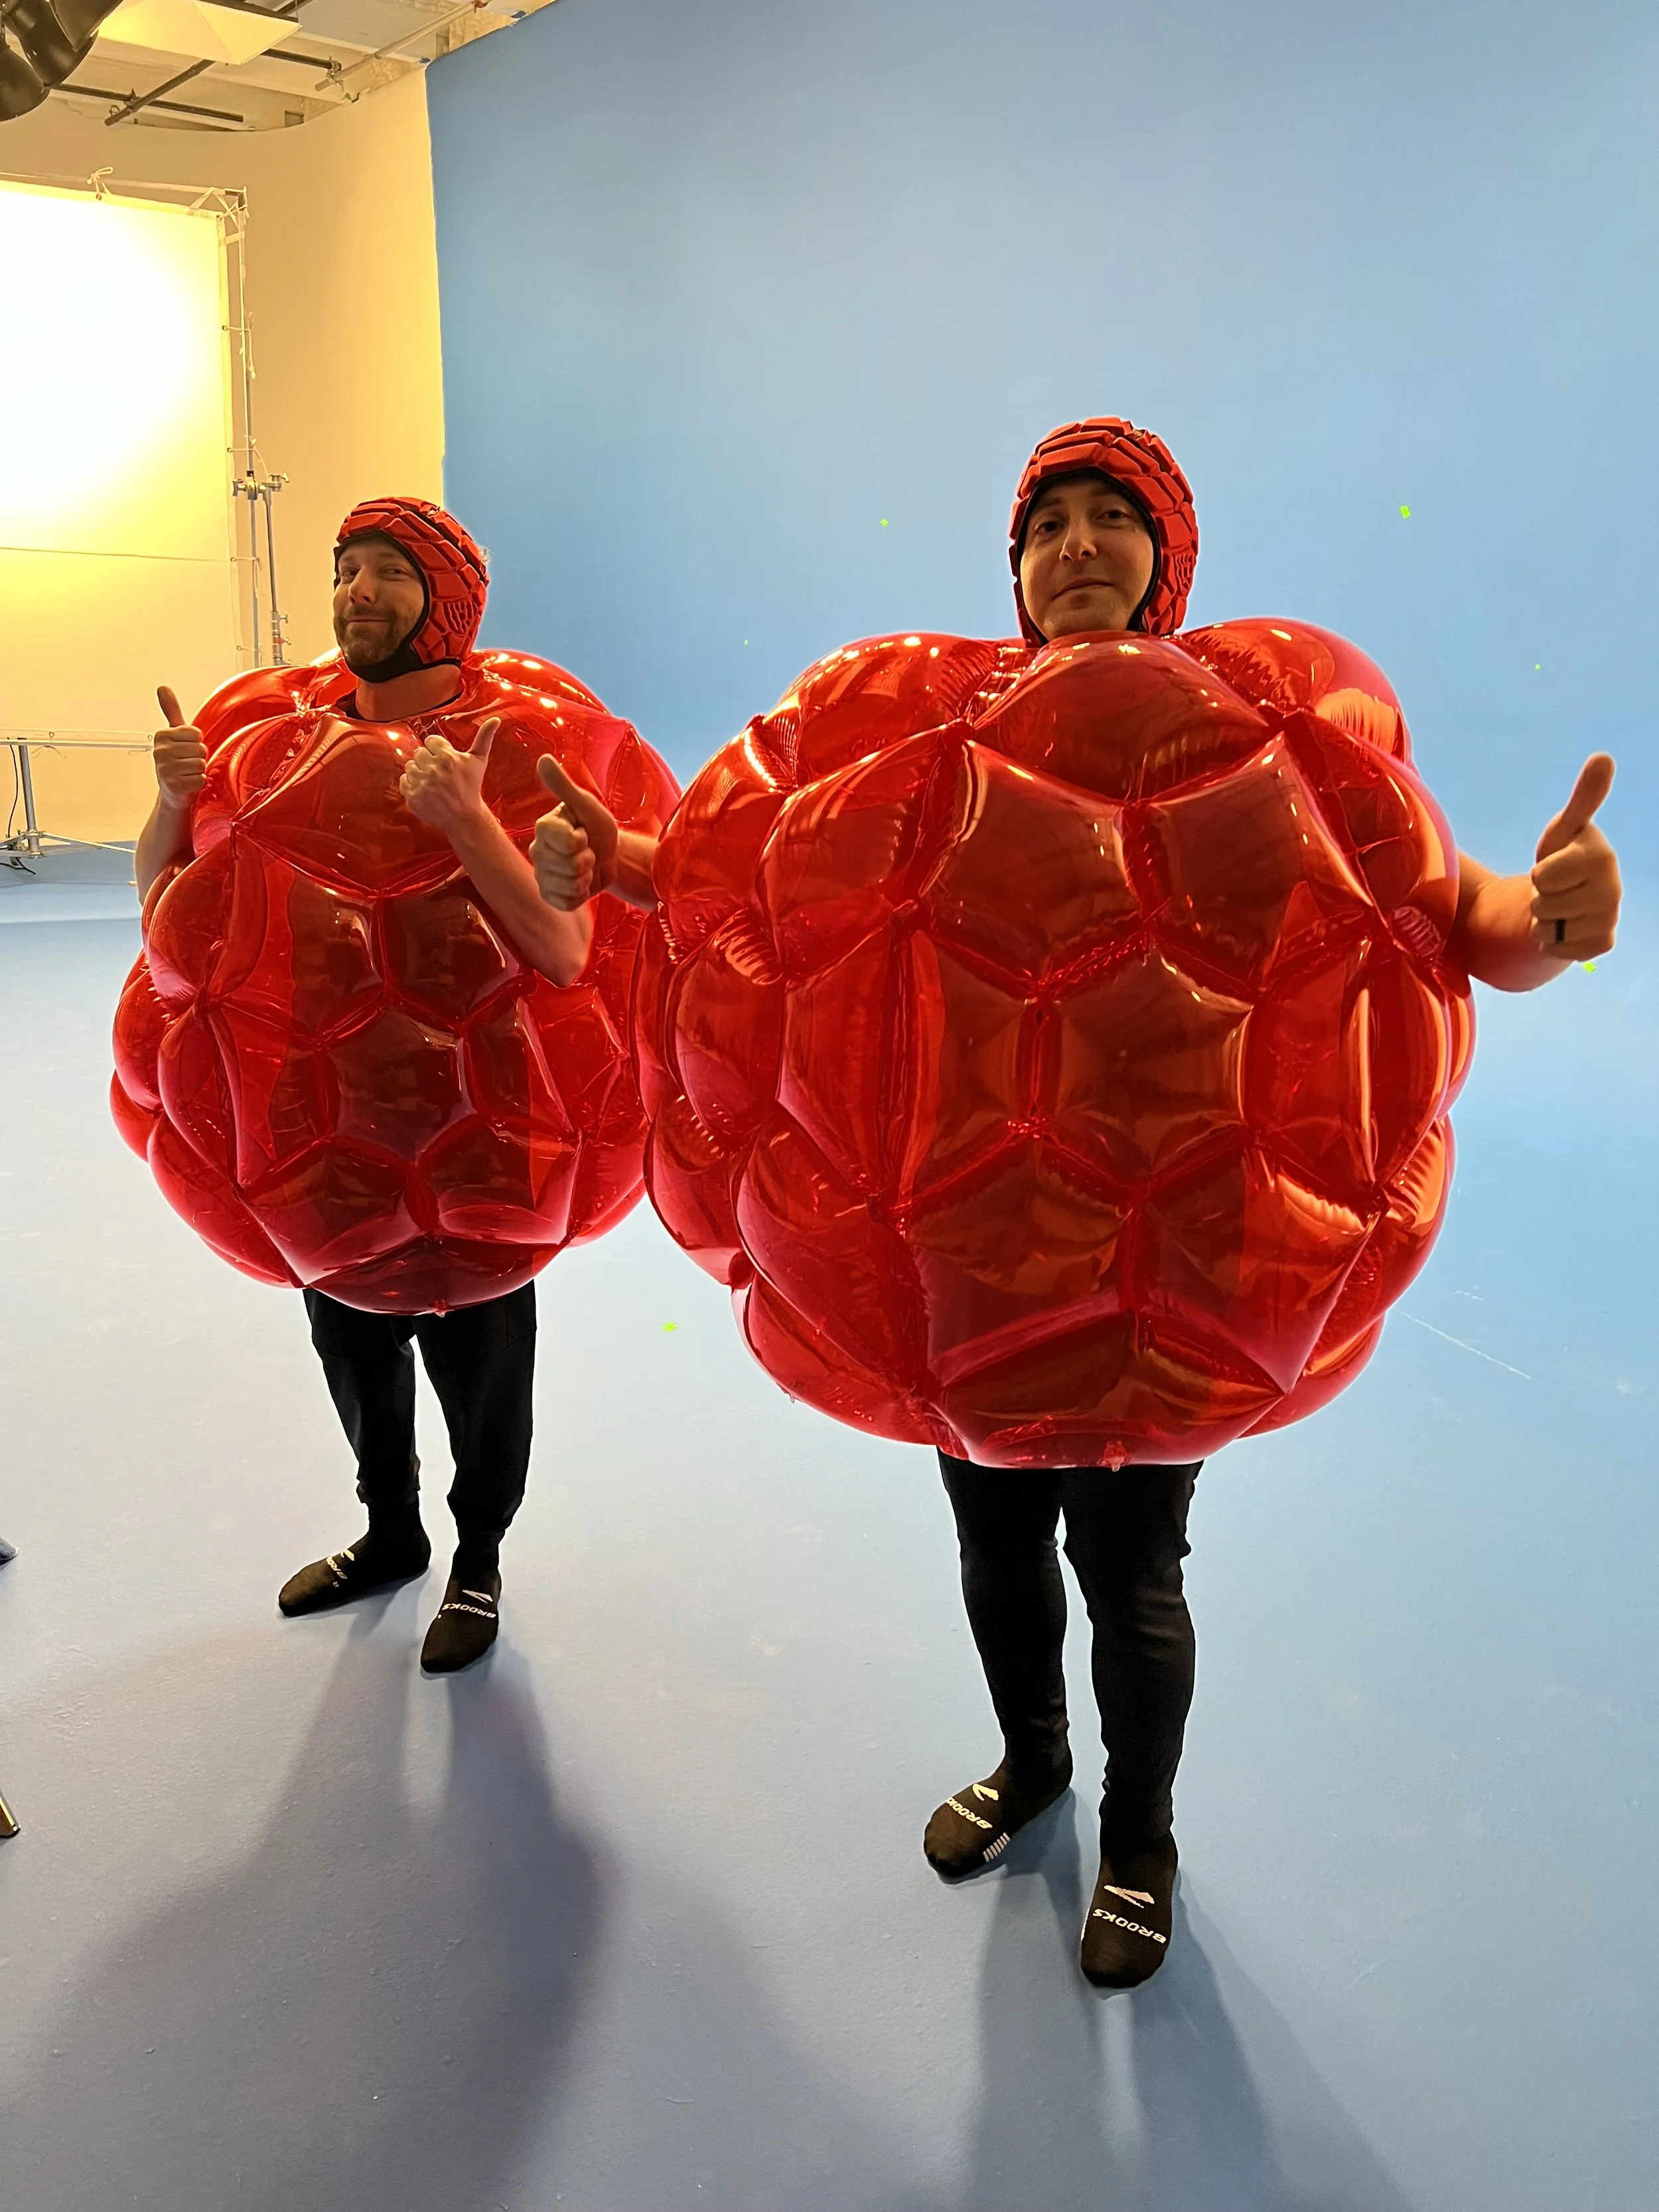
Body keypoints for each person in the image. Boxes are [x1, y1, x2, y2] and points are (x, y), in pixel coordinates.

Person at [530, 419, 1624, 1982]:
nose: (1076, 547)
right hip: (982, 1257)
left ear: (1165, 553)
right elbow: (766, 872)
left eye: (1111, 516)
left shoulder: (1263, 733)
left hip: (1181, 1265)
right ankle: (1031, 1762)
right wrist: (624, 858)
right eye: (1047, 525)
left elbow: (1444, 917)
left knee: (1132, 1571)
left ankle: (1139, 1836)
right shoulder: (927, 731)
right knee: (993, 1546)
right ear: (1016, 566)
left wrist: (1551, 915)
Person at [135, 498, 594, 1674]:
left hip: (488, 1109)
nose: (360, 592)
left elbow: (564, 950)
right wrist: (175, 801)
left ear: (446, 599)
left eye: (390, 571)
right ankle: (391, 1530)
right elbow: (168, 913)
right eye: (347, 570)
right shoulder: (279, 738)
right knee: (349, 1339)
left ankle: (478, 1560)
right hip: (320, 1107)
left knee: (484, 1359)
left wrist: (466, 819)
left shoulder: (516, 738)